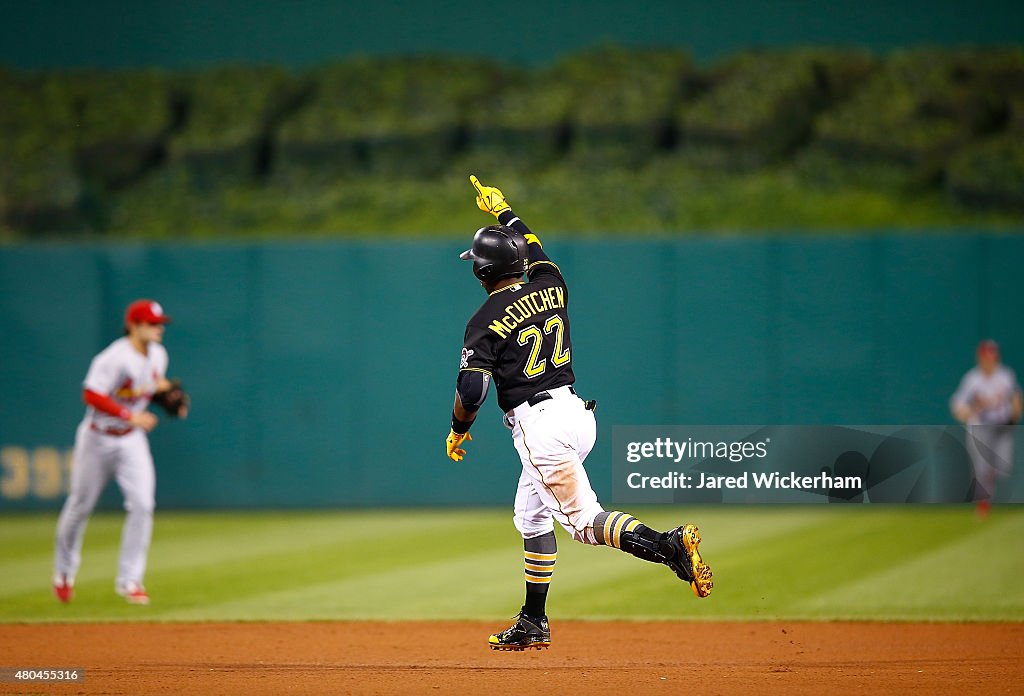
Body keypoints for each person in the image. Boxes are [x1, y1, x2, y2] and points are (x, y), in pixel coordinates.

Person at [445, 175, 713, 651]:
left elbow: (472, 389)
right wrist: (506, 212)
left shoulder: (483, 320)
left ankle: (668, 545)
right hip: (575, 412)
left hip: (540, 428)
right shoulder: (552, 284)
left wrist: (457, 429)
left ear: (479, 272)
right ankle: (533, 620)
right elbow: (536, 249)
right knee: (530, 516)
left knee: (584, 524)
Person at [53, 299, 188, 605]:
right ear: (134, 325)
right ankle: (63, 571)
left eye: (160, 324)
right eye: (153, 324)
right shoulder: (114, 357)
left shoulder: (158, 355)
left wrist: (167, 399)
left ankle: (130, 580)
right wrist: (131, 416)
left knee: (142, 505)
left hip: (131, 440)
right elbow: (91, 393)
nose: (159, 329)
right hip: (97, 438)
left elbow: (147, 387)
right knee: (80, 506)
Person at [950, 339, 1021, 517]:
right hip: (979, 426)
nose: (989, 361)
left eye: (992, 357)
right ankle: (983, 503)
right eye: (986, 357)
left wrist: (1014, 416)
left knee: (1003, 467)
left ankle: (990, 480)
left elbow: (1016, 397)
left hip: (1001, 426)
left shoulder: (1005, 375)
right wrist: (968, 412)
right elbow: (957, 405)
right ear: (980, 358)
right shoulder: (972, 379)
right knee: (981, 468)